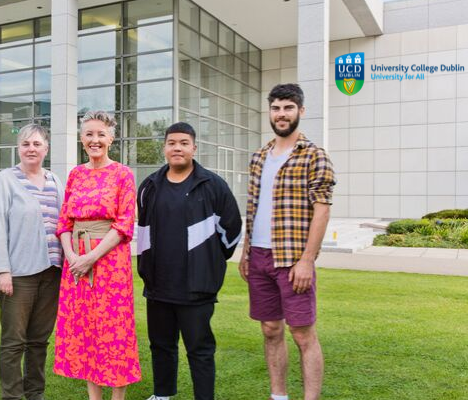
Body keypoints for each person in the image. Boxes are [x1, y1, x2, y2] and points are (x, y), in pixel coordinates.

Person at [238, 83, 335, 400]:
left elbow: (322, 210)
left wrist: (308, 259)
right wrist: (246, 252)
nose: (282, 114)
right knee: (270, 329)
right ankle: (278, 396)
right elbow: (253, 208)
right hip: (260, 258)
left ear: (301, 111)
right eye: (276, 107)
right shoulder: (259, 157)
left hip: (293, 259)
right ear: (270, 112)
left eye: (288, 107)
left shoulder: (314, 156)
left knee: (303, 333)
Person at [136, 122, 242, 400]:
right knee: (160, 345)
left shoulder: (213, 185)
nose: (177, 148)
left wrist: (209, 261)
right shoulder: (149, 186)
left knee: (200, 350)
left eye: (184, 143)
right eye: (172, 143)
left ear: (194, 147)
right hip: (158, 284)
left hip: (196, 286)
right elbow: (143, 232)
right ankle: (162, 394)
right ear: (165, 148)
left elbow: (231, 230)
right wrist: (147, 270)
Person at [54, 110, 141, 400]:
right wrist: (71, 256)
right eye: (89, 134)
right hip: (76, 262)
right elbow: (64, 222)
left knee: (114, 331)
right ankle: (94, 397)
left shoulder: (123, 174)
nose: (95, 140)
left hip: (110, 264)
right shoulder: (76, 175)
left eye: (101, 134)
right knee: (85, 329)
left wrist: (91, 257)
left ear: (111, 138)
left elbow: (125, 223)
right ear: (81, 139)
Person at [0, 123, 65, 400]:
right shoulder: (6, 180)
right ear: (19, 148)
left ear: (46, 148)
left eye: (37, 144)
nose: (31, 149)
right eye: (26, 144)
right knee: (13, 342)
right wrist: (2, 270)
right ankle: (12, 396)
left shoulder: (55, 182)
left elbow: (65, 224)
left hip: (52, 273)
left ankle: (35, 394)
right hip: (17, 275)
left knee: (39, 341)